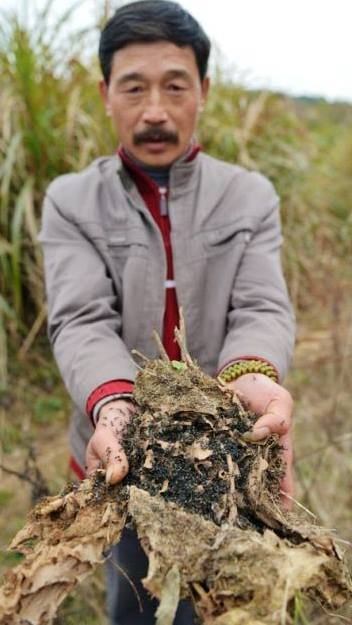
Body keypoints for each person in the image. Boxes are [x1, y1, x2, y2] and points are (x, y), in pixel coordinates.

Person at [39, 1, 295, 623]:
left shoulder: (249, 195)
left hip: (229, 450)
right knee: (139, 601)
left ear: (202, 91)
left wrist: (250, 377)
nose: (155, 110)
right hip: (121, 453)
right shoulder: (72, 201)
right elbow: (80, 319)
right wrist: (116, 404)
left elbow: (261, 304)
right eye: (134, 87)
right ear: (106, 94)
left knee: (236, 601)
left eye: (175, 86)